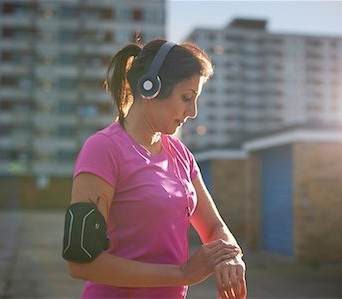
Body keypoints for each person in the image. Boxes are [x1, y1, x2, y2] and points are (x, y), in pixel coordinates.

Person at [66, 39, 247, 299]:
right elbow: (80, 261)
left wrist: (231, 257)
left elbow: (213, 227)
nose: (193, 112)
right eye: (186, 97)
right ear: (150, 87)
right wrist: (184, 274)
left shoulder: (181, 155)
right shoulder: (102, 149)